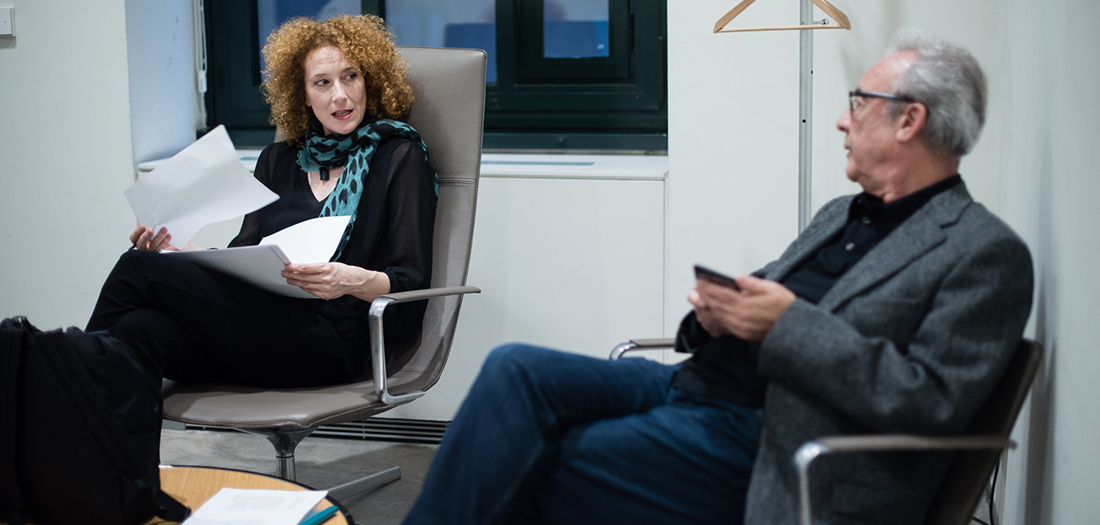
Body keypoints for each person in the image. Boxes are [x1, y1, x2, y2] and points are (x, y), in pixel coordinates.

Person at [401, 30, 1033, 525]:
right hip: (694, 384)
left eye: (858, 103)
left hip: (781, 437)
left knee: (556, 456)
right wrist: (716, 314)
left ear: (909, 121)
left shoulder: (982, 252)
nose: (843, 120)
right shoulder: (842, 212)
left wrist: (785, 325)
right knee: (515, 367)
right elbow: (765, 289)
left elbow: (931, 402)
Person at [85, 15, 437, 388]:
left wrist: (350, 280)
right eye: (322, 82)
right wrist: (176, 250)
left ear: (368, 81)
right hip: (260, 327)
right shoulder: (277, 160)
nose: (340, 95)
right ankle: (96, 420)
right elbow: (243, 260)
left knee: (138, 268)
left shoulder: (399, 156)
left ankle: (62, 388)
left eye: (350, 76)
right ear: (303, 95)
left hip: (329, 342)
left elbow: (411, 284)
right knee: (137, 328)